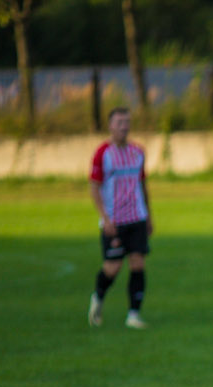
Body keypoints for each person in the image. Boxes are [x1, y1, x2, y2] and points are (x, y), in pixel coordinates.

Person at [88, 107, 152, 329]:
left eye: (127, 122)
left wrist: (149, 216)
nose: (124, 126)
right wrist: (105, 218)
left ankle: (133, 314)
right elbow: (94, 187)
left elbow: (142, 185)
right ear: (110, 126)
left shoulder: (138, 152)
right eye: (119, 122)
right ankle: (98, 296)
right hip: (115, 221)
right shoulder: (102, 153)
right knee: (112, 268)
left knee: (138, 264)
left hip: (137, 218)